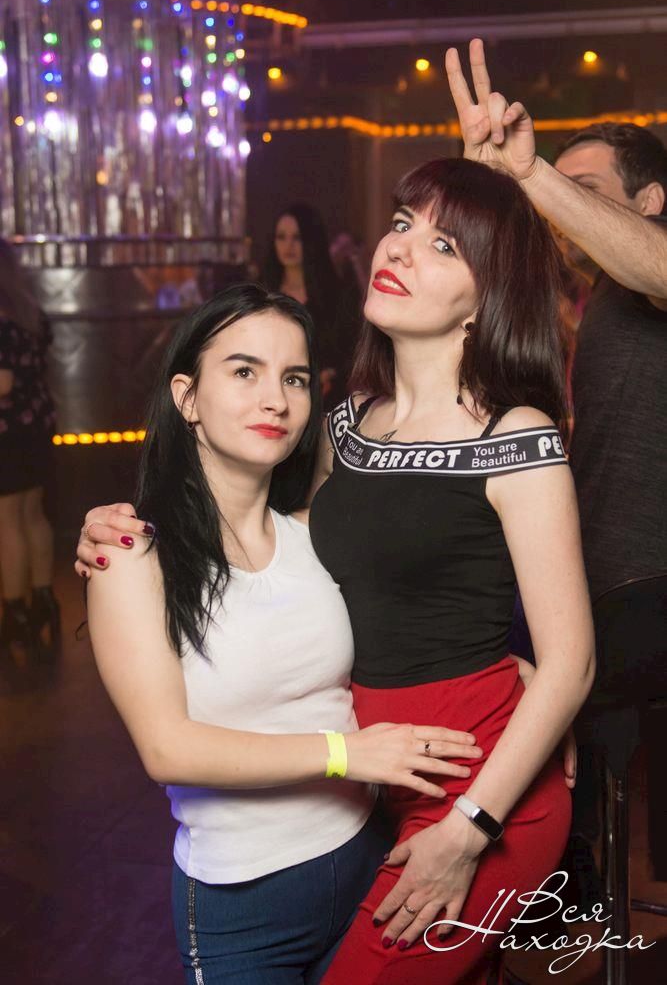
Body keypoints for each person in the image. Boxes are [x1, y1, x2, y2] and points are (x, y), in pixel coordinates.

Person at [77, 153, 591, 980]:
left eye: (443, 245)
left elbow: (573, 662)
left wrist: (471, 822)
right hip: (376, 790)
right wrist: (126, 534)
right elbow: (307, 557)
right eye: (402, 225)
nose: (399, 248)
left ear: (484, 297)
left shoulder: (514, 433)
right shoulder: (347, 425)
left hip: (483, 795)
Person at [84, 283, 483, 985]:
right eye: (244, 371)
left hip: (368, 863)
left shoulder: (316, 535)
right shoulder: (130, 556)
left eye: (293, 378)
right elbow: (166, 748)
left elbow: (415, 629)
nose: (275, 399)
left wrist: (516, 674)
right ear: (186, 397)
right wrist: (346, 754)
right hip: (243, 906)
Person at [446, 37, 667, 894]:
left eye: (588, 192)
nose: (563, 212)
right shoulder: (599, 297)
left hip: (643, 588)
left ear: (649, 201)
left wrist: (532, 173)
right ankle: (563, 865)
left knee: (478, 653)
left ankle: (528, 869)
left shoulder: (647, 266)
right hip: (611, 582)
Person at [0, 238, 60, 658]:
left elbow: (2, 383)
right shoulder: (28, 313)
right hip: (37, 425)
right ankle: (44, 601)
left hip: (7, 432)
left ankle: (15, 613)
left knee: (7, 523)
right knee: (33, 515)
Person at [261, 204, 360, 406]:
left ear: (310, 241)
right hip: (268, 393)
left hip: (325, 398)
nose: (288, 245)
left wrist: (329, 373)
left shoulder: (337, 294)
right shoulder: (262, 292)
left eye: (297, 238)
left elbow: (352, 350)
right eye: (281, 237)